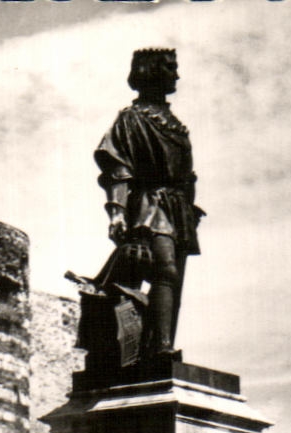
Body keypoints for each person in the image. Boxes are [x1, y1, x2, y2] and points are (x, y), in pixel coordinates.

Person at [94, 47, 203, 361]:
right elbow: (116, 167)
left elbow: (187, 175)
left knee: (173, 278)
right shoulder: (130, 119)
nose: (176, 75)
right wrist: (116, 212)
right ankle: (159, 349)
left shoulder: (177, 126)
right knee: (164, 269)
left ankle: (159, 345)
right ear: (151, 71)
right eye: (170, 68)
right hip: (149, 203)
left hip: (179, 208)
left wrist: (191, 209)